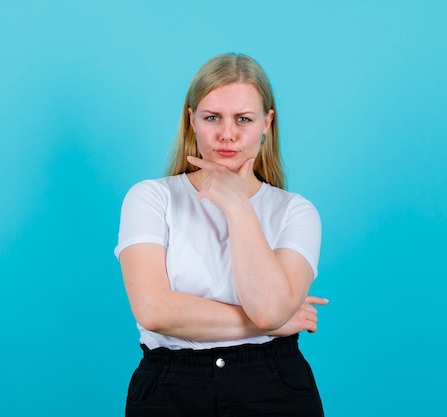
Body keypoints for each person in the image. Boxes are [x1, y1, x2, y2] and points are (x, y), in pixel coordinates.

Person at [114, 53, 327, 417]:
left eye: (243, 119)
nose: (227, 134)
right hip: (171, 388)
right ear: (191, 120)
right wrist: (275, 322)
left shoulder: (296, 211)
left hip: (273, 386)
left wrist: (237, 204)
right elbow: (152, 310)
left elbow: (269, 308)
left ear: (267, 123)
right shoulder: (150, 198)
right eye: (212, 117)